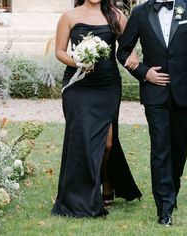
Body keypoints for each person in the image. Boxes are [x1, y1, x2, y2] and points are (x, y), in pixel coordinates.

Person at [117, 0, 187, 226]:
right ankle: (164, 208)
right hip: (154, 93)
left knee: (180, 145)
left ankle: (172, 190)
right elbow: (123, 51)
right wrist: (143, 72)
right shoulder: (140, 12)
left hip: (184, 91)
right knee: (160, 147)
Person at [51, 0, 142, 218]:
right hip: (78, 84)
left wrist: (133, 55)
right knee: (82, 137)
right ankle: (83, 196)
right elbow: (59, 51)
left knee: (107, 142)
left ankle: (107, 179)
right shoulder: (69, 16)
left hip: (107, 85)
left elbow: (127, 46)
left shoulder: (116, 15)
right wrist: (78, 61)